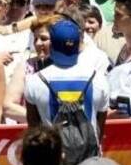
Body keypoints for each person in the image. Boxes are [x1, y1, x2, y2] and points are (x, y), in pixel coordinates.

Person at [25, 19, 110, 153]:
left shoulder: (35, 81)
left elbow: (34, 129)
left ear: (52, 45)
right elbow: (99, 129)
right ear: (78, 44)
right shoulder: (99, 79)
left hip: (52, 163)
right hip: (89, 162)